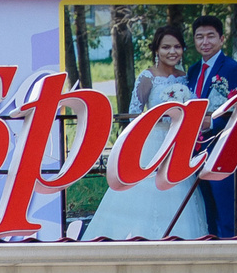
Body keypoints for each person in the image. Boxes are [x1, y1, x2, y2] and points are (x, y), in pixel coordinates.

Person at [84, 25, 209, 241]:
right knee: (146, 191)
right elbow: (134, 113)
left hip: (178, 143)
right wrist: (154, 119)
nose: (172, 52)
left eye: (177, 47)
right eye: (166, 47)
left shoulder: (185, 77)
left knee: (178, 189)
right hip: (153, 142)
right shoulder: (147, 77)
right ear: (156, 50)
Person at [187, 16, 237, 238]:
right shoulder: (193, 71)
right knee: (207, 209)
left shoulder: (233, 69)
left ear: (222, 39)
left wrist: (212, 122)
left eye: (210, 36)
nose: (205, 42)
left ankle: (235, 249)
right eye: (199, 37)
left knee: (227, 209)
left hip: (223, 150)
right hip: (197, 151)